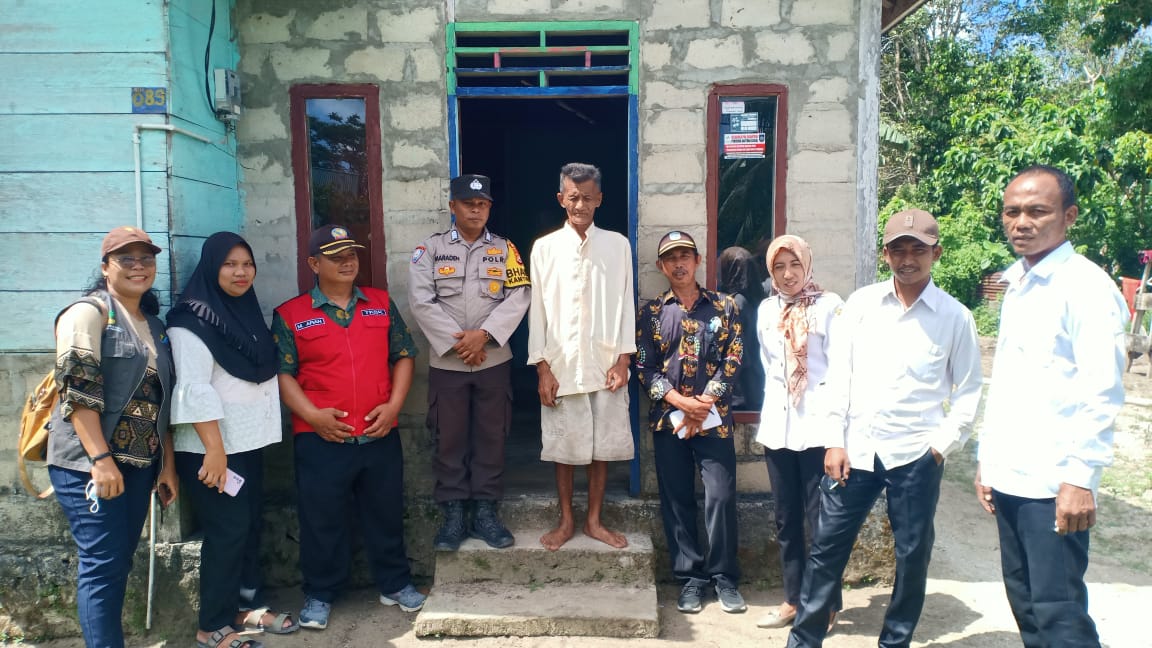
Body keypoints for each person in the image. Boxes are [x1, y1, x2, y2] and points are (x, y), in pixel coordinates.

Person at [786, 209, 983, 648]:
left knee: (912, 556)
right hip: (855, 451)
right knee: (826, 550)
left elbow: (969, 392)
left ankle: (894, 642)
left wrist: (939, 448)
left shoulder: (955, 317)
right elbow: (837, 376)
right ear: (885, 254)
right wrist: (833, 441)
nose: (908, 259)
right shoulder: (860, 306)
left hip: (916, 455)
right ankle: (803, 641)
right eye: (898, 250)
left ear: (937, 253)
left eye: (918, 250)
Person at [976, 166, 1127, 648]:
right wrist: (988, 463)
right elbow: (1009, 385)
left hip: (1053, 482)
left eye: (1037, 211)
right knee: (1026, 605)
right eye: (1012, 212)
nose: (1021, 222)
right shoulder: (1018, 284)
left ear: (1069, 216)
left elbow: (1102, 391)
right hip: (1011, 477)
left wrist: (1080, 478)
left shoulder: (1085, 287)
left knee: (1059, 613)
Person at [272, 225, 425, 630]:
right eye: (335, 256)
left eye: (351, 255)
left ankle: (395, 584)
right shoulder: (291, 314)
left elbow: (404, 355)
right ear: (313, 263)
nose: (347, 262)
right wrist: (313, 416)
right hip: (321, 437)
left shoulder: (380, 304)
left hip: (378, 432)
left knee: (386, 513)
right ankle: (320, 594)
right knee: (321, 519)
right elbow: (283, 374)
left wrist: (394, 407)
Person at [47, 226, 179, 648]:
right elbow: (78, 395)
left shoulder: (153, 325)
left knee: (118, 562)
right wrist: (101, 460)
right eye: (127, 259)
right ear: (105, 267)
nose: (139, 266)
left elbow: (160, 403)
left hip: (139, 466)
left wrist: (166, 467)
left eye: (146, 259)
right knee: (102, 565)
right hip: (90, 465)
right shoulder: (88, 314)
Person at [168, 232, 297, 648]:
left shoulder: (242, 312)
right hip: (211, 450)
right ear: (211, 268)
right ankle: (212, 625)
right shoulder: (190, 322)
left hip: (246, 442)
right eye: (229, 264)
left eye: (247, 264)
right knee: (227, 531)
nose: (241, 272)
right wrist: (215, 450)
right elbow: (193, 389)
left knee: (249, 524)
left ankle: (245, 606)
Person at [408, 173, 531, 551]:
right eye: (468, 204)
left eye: (482, 204)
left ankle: (485, 513)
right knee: (450, 437)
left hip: (492, 360)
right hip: (449, 364)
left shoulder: (506, 249)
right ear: (453, 207)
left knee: (491, 436)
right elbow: (421, 301)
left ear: (489, 207)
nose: (476, 210)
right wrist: (461, 343)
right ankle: (454, 515)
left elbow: (519, 295)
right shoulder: (429, 250)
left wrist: (485, 335)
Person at [635, 231, 747, 614]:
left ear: (698, 261)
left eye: (685, 256)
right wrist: (681, 402)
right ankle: (691, 579)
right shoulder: (651, 313)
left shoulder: (724, 307)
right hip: (669, 422)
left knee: (720, 496)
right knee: (677, 499)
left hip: (714, 422)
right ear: (661, 266)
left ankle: (724, 577)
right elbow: (644, 367)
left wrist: (704, 401)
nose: (679, 263)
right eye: (671, 258)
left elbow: (734, 356)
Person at [527, 162, 635, 551]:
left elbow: (627, 304)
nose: (580, 205)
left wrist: (623, 360)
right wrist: (542, 367)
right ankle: (566, 520)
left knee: (600, 447)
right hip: (562, 365)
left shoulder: (617, 245)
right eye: (573, 197)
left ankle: (593, 521)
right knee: (565, 448)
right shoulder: (544, 249)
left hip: (605, 363)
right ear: (561, 199)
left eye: (588, 198)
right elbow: (537, 312)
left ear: (599, 199)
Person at [753, 235, 843, 630]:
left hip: (819, 429)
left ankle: (826, 603)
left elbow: (841, 370)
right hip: (779, 428)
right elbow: (768, 365)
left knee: (821, 519)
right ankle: (793, 599)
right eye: (779, 266)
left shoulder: (830, 307)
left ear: (807, 264)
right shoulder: (765, 310)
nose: (788, 274)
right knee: (786, 518)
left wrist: (839, 435)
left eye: (794, 264)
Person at [717, 246, 765, 411]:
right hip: (754, 378)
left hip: (742, 386)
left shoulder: (735, 303)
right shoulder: (752, 299)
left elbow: (738, 351)